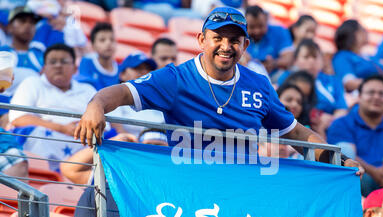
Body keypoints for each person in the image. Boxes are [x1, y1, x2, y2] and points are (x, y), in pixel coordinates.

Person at [74, 6, 363, 175]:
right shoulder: (176, 78)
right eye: (218, 38)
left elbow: (298, 135)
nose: (226, 46)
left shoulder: (259, 84)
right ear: (202, 40)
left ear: (245, 46)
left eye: (234, 40)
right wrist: (95, 106)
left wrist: (338, 159)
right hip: (191, 189)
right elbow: (122, 92)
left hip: (244, 192)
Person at [8, 43, 96, 170]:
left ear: (74, 68)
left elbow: (104, 125)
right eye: (52, 62)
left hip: (82, 145)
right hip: (43, 144)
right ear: (44, 68)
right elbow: (18, 118)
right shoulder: (32, 83)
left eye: (64, 61)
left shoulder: (88, 90)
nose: (58, 65)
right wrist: (62, 128)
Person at [327, 74, 383, 196]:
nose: (376, 97)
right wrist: (375, 172)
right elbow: (342, 156)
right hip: (357, 182)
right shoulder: (341, 124)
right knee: (360, 178)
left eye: (382, 94)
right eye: (371, 92)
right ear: (359, 97)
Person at [107, 51, 166, 140]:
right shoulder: (113, 97)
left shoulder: (161, 99)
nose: (144, 72)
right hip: (129, 149)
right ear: (122, 74)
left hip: (159, 147)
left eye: (148, 69)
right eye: (138, 68)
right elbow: (117, 130)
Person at [0, 5, 43, 103]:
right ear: (10, 27)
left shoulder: (44, 56)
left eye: (32, 23)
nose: (28, 25)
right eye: (22, 21)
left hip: (36, 110)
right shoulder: (2, 53)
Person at [332, 19, 383, 93]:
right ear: (354, 34)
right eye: (362, 30)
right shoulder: (342, 56)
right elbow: (349, 82)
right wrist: (378, 85)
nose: (366, 32)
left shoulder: (369, 57)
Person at [244, 5, 294, 75]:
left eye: (260, 26)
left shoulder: (280, 31)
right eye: (252, 27)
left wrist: (274, 63)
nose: (257, 31)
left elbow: (288, 59)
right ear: (245, 24)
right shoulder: (240, 35)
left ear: (266, 21)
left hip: (274, 77)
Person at [74, 22, 119, 90]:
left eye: (112, 40)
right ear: (93, 45)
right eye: (102, 40)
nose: (108, 43)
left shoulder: (120, 69)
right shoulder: (87, 62)